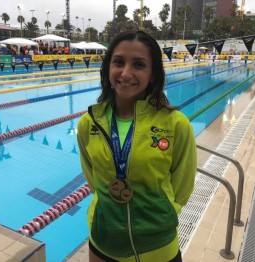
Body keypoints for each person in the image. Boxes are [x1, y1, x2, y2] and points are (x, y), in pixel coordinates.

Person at [77, 30, 197, 262]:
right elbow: (93, 179)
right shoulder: (89, 122)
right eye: (119, 62)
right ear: (108, 68)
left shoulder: (175, 124)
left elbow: (183, 185)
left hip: (157, 245)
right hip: (104, 240)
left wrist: (163, 214)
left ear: (152, 74)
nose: (126, 73)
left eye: (139, 65)